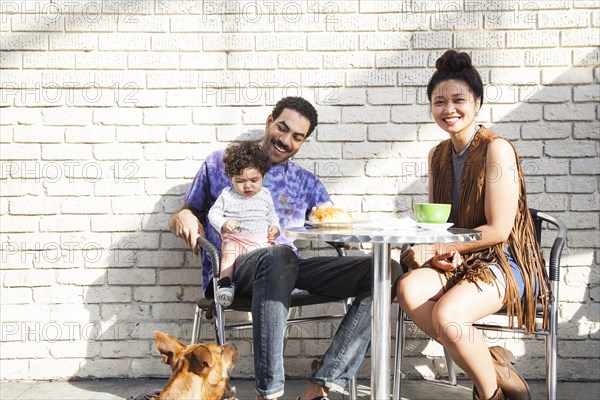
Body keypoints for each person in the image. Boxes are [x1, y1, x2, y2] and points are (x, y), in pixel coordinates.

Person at [169, 97, 391, 400]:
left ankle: (319, 387)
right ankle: (269, 394)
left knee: (384, 271)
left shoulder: (305, 183)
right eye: (282, 128)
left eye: (297, 137)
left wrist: (344, 231)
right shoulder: (219, 164)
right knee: (279, 256)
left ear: (303, 142)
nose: (286, 140)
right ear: (269, 121)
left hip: (289, 266)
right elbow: (187, 211)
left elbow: (330, 223)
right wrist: (182, 215)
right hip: (234, 272)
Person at [395, 50, 549, 400]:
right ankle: (495, 364)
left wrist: (445, 248)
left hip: (505, 261)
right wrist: (437, 254)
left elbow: (498, 230)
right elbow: (441, 226)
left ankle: (488, 392)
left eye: (458, 99)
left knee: (448, 315)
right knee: (408, 288)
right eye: (439, 101)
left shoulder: (498, 150)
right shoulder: (437, 155)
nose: (448, 109)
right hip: (461, 258)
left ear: (476, 102)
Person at [208, 141, 280, 307]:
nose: (247, 185)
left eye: (254, 180)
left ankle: (276, 287)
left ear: (263, 176)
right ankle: (225, 286)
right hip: (237, 240)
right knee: (228, 253)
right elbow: (213, 213)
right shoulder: (227, 195)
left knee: (278, 255)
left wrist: (275, 229)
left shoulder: (265, 194)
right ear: (231, 178)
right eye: (240, 181)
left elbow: (271, 215)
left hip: (261, 242)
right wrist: (224, 223)